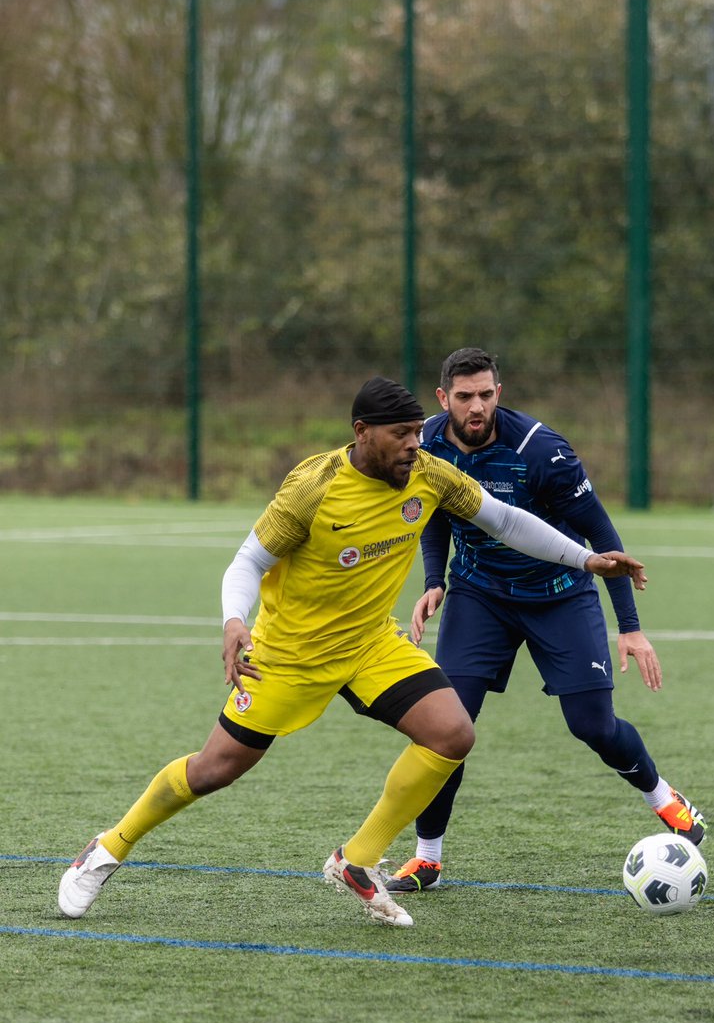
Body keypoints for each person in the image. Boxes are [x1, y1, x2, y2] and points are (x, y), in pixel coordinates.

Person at [58, 377, 647, 929]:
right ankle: (107, 849)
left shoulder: (431, 476)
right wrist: (234, 621)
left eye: (419, 433)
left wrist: (587, 559)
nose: (415, 446)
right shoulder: (313, 487)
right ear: (362, 432)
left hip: (370, 644)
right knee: (215, 770)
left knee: (452, 734)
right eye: (401, 435)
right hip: (289, 654)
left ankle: (357, 861)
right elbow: (248, 561)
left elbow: (506, 521)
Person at [385, 349, 705, 895]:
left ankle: (664, 797)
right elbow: (437, 512)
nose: (477, 406)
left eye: (487, 394)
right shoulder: (429, 444)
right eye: (465, 396)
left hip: (560, 596)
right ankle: (428, 857)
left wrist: (628, 624)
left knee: (592, 725)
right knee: (445, 730)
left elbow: (602, 537)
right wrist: (434, 580)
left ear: (498, 392)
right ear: (444, 399)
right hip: (479, 597)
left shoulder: (542, 451)